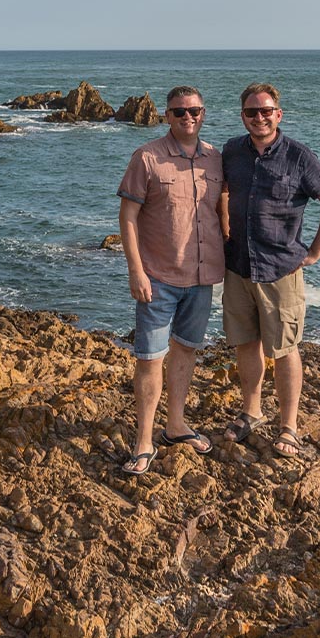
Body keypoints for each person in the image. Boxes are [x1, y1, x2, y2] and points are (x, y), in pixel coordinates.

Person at [220, 82, 320, 459]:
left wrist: (314, 254)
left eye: (265, 110)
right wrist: (225, 227)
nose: (259, 117)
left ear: (278, 114)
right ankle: (252, 411)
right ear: (243, 116)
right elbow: (222, 190)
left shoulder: (299, 157)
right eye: (251, 112)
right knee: (245, 343)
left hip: (280, 269)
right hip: (238, 266)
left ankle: (288, 424)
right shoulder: (231, 151)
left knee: (286, 349)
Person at [114, 85, 225, 475]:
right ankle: (144, 440)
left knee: (186, 351)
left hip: (202, 276)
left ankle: (175, 426)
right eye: (179, 112)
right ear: (167, 116)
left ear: (203, 113)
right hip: (157, 278)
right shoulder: (146, 157)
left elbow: (222, 209)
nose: (187, 117)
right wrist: (135, 270)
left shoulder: (216, 159)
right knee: (149, 360)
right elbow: (127, 218)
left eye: (193, 110)